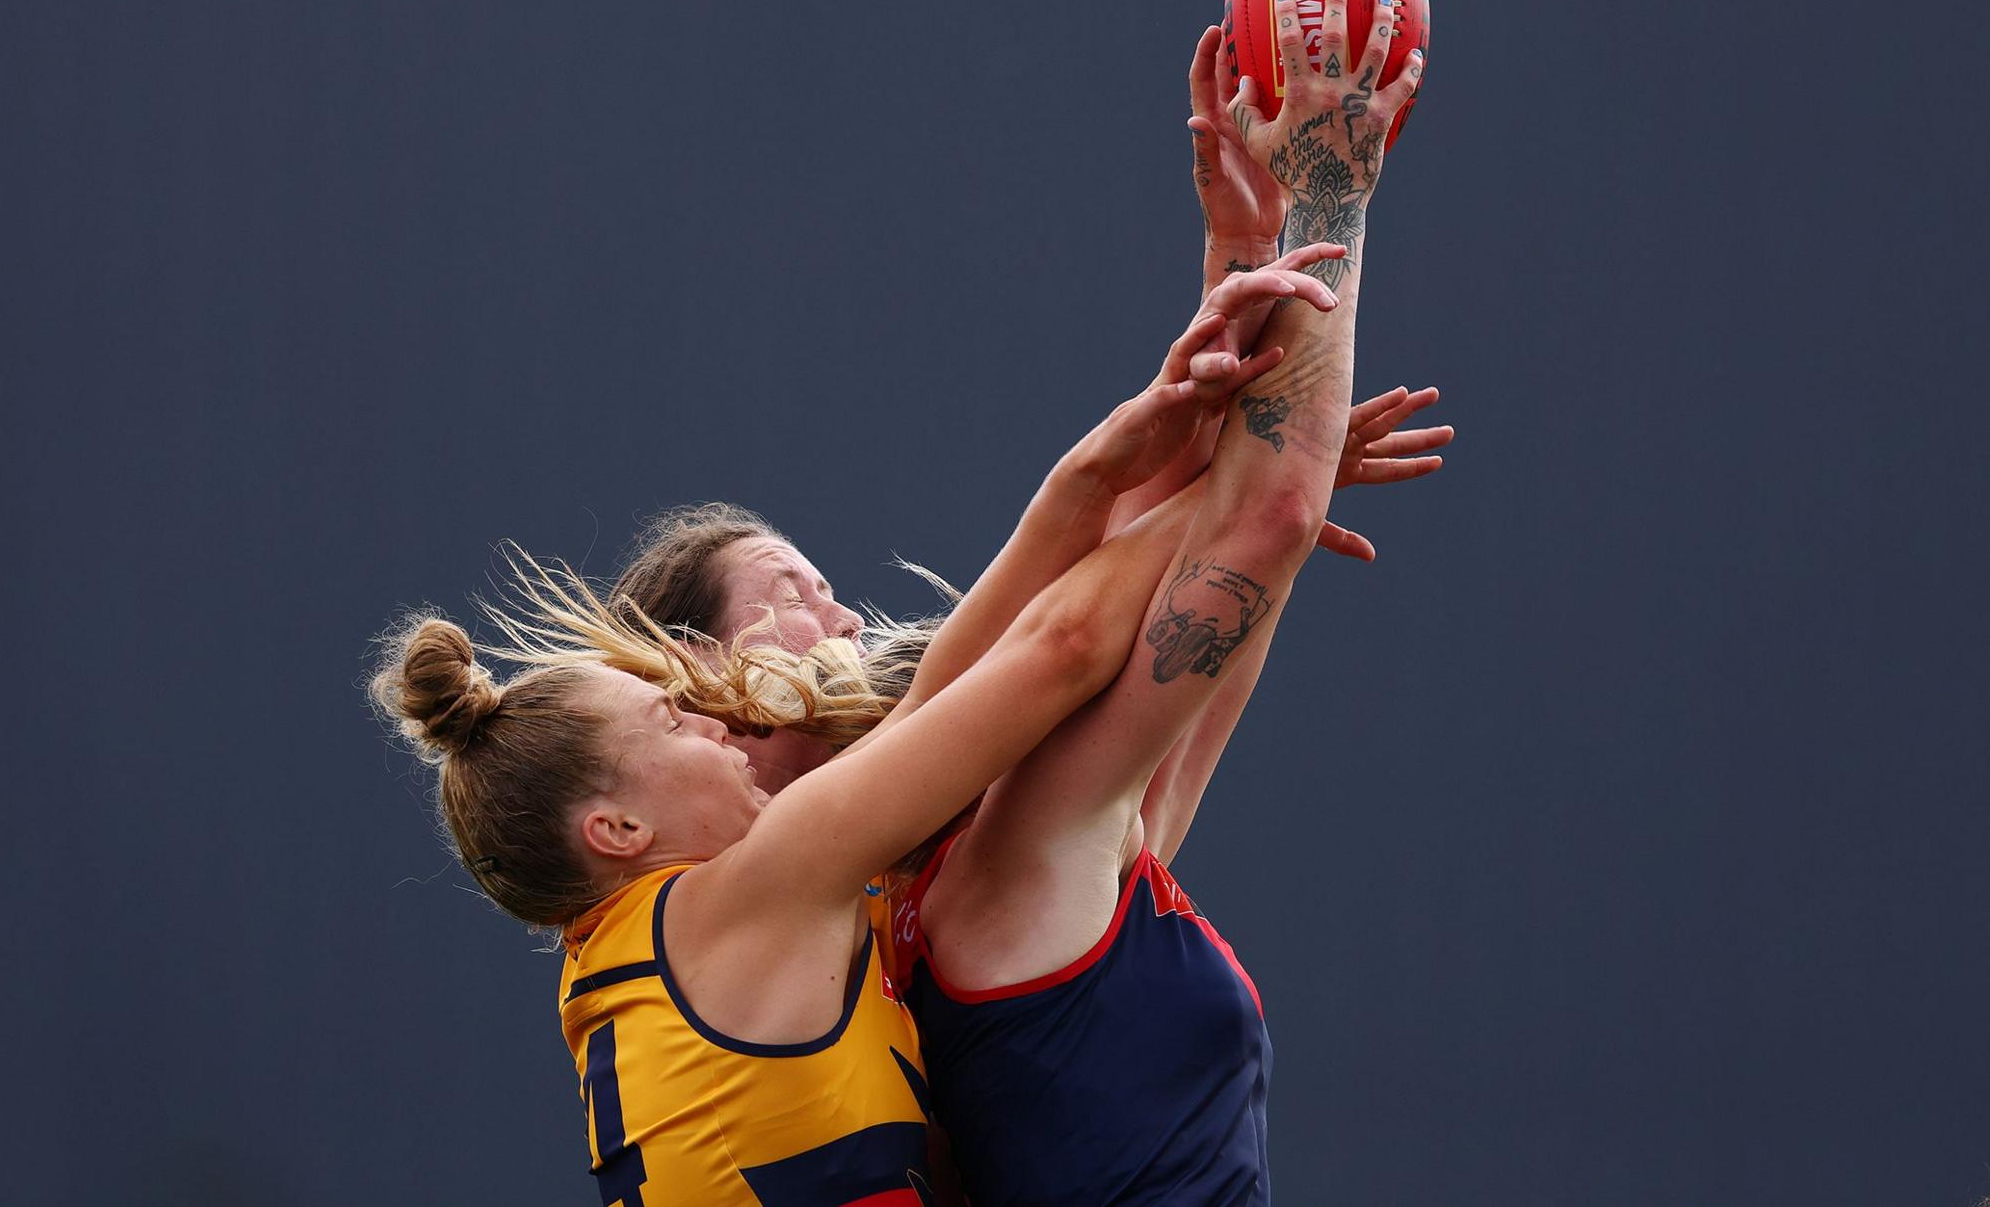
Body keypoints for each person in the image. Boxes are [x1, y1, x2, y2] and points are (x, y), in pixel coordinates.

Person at [610, 0, 1429, 1204]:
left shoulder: (926, 897)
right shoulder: (974, 879)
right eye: (793, 596)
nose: (838, 622)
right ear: (715, 702)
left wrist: (1245, 275)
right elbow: (1109, 606)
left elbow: (1201, 593)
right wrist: (1327, 183)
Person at [369, 259, 1339, 1206]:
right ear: (615, 829)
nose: (710, 729)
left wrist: (1146, 471)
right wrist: (1236, 487)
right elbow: (1055, 649)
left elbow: (947, 699)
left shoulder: (632, 966)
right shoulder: (752, 896)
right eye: (675, 718)